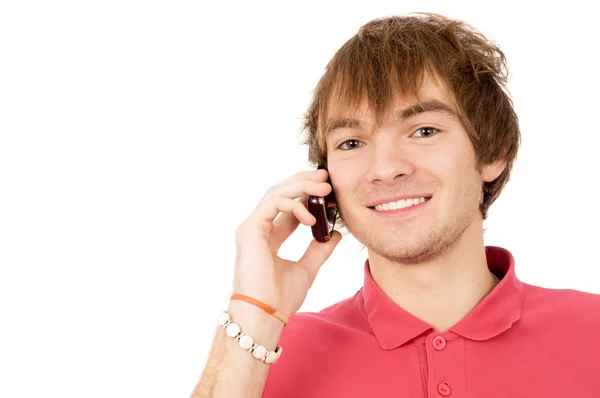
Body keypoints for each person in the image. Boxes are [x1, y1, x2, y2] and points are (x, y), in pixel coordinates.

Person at [193, 12, 600, 398]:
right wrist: (254, 315)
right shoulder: (262, 354)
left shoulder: (592, 332)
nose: (385, 169)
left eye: (424, 130)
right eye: (351, 143)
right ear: (325, 181)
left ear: (493, 152)